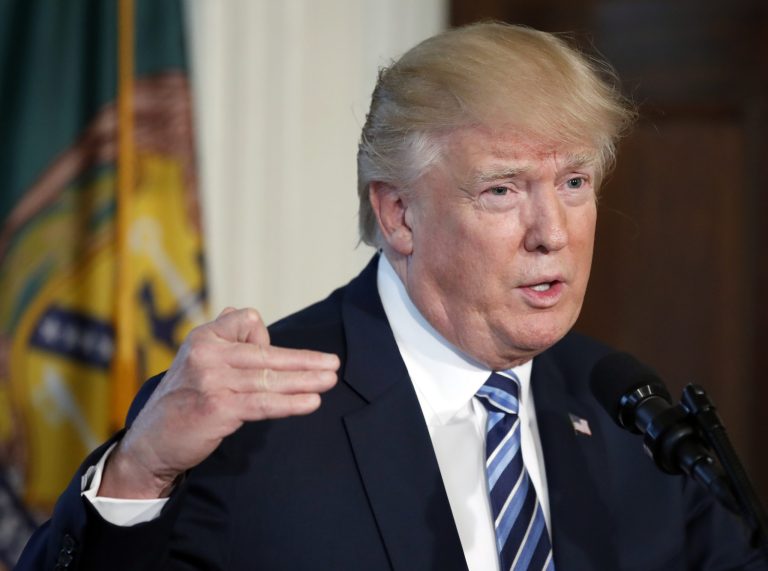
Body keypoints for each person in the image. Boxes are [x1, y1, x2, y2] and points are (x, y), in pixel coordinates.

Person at [16, 21, 768, 571]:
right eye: (503, 190)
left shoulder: (627, 413)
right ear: (398, 213)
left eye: (574, 183)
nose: (553, 232)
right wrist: (139, 472)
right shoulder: (250, 420)